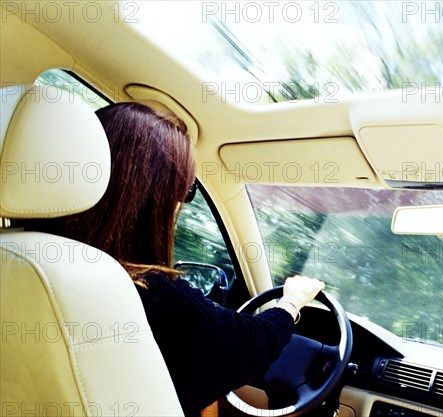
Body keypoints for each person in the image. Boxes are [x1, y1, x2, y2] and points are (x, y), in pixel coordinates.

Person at [24, 102, 324, 416]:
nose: (182, 203)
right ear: (154, 194)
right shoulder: (143, 290)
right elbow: (245, 347)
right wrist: (292, 302)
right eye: (186, 190)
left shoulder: (25, 257)